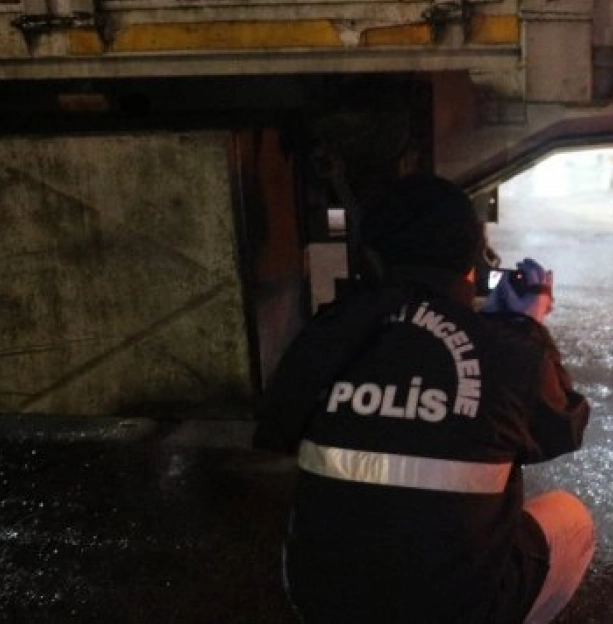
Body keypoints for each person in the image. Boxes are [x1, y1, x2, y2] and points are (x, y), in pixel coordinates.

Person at [254, 174, 594, 623]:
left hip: (321, 600)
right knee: (573, 519)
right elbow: (564, 426)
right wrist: (527, 325)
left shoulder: (328, 333)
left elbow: (275, 430)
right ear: (472, 261)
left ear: (374, 253)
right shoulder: (509, 353)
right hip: (454, 612)